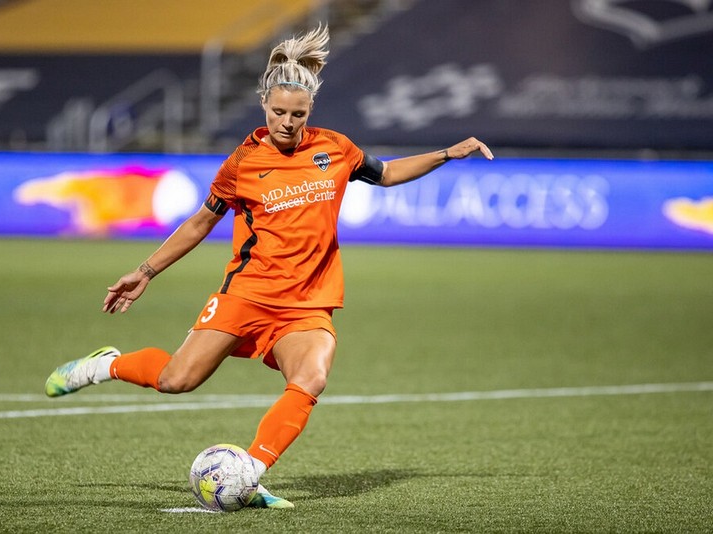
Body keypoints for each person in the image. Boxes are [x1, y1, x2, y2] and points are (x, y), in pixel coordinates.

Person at [44, 24, 493, 509]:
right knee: (178, 379)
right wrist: (145, 272)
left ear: (310, 112)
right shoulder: (242, 163)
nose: (287, 122)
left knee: (311, 379)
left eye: (297, 114)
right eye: (278, 111)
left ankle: (247, 475)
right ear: (263, 103)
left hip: (308, 303)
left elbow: (385, 174)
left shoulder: (335, 149)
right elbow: (199, 224)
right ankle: (106, 364)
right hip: (248, 295)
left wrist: (449, 153)